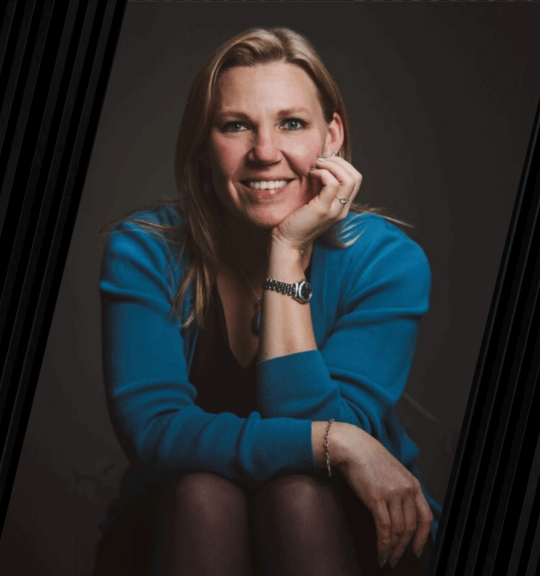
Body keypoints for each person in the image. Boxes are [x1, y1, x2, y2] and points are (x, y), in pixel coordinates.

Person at [96, 27, 441, 575]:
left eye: (292, 124)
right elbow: (155, 428)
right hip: (178, 527)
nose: (264, 152)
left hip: (344, 527)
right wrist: (339, 441)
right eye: (235, 126)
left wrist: (287, 250)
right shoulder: (145, 249)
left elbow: (317, 470)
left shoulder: (387, 261)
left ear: (332, 136)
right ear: (203, 146)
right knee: (203, 493)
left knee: (298, 495)